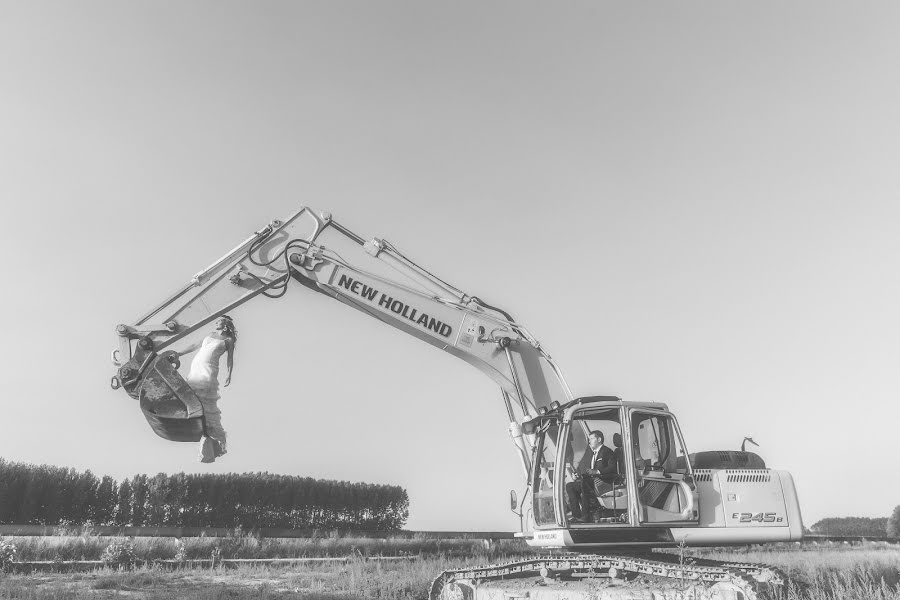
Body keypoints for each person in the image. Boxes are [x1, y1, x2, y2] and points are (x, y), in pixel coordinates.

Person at [177, 316, 236, 463]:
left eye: (219, 321)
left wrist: (229, 374)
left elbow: (230, 359)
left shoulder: (228, 340)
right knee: (191, 394)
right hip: (196, 366)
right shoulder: (209, 334)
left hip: (209, 368)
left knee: (205, 401)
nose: (216, 322)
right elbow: (194, 345)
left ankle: (211, 436)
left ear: (226, 325)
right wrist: (179, 353)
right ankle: (190, 418)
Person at [565, 430, 617, 522]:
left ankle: (586, 516)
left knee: (584, 483)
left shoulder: (607, 452)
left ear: (599, 439)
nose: (589, 441)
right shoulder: (592, 454)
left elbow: (612, 468)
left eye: (592, 438)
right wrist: (579, 474)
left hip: (604, 482)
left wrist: (597, 471)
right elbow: (589, 471)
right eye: (589, 439)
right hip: (592, 482)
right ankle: (576, 515)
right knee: (570, 486)